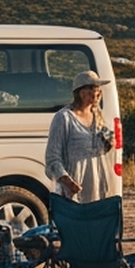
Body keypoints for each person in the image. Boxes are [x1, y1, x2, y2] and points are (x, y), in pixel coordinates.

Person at [45, 70, 115, 202]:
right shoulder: (63, 118)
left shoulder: (98, 117)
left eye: (98, 88)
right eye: (92, 88)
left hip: (98, 192)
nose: (97, 92)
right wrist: (67, 183)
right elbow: (52, 159)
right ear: (81, 92)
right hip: (72, 194)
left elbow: (106, 149)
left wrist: (110, 141)